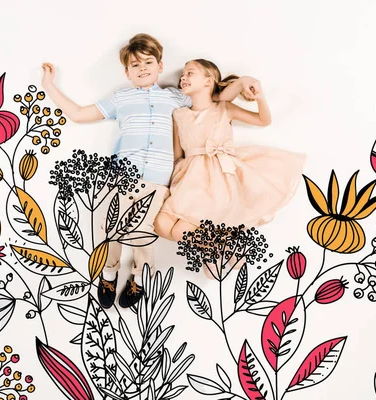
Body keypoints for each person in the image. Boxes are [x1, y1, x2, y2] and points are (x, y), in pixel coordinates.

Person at [41, 35, 251, 308]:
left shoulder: (176, 97)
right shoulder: (121, 98)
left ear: (160, 66)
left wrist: (244, 84)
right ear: (127, 72)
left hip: (157, 179)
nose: (142, 68)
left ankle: (138, 278)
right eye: (135, 65)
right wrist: (48, 85)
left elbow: (215, 96)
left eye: (148, 62)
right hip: (121, 175)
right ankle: (109, 272)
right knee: (109, 228)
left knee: (142, 232)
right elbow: (80, 114)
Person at [154, 59, 307, 279]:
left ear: (208, 81)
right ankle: (217, 246)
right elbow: (178, 156)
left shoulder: (223, 108)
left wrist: (260, 96)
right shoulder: (179, 115)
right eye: (182, 76)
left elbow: (264, 120)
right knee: (161, 225)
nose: (183, 78)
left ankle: (217, 248)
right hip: (189, 179)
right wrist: (173, 183)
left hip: (219, 178)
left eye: (190, 73)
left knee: (179, 230)